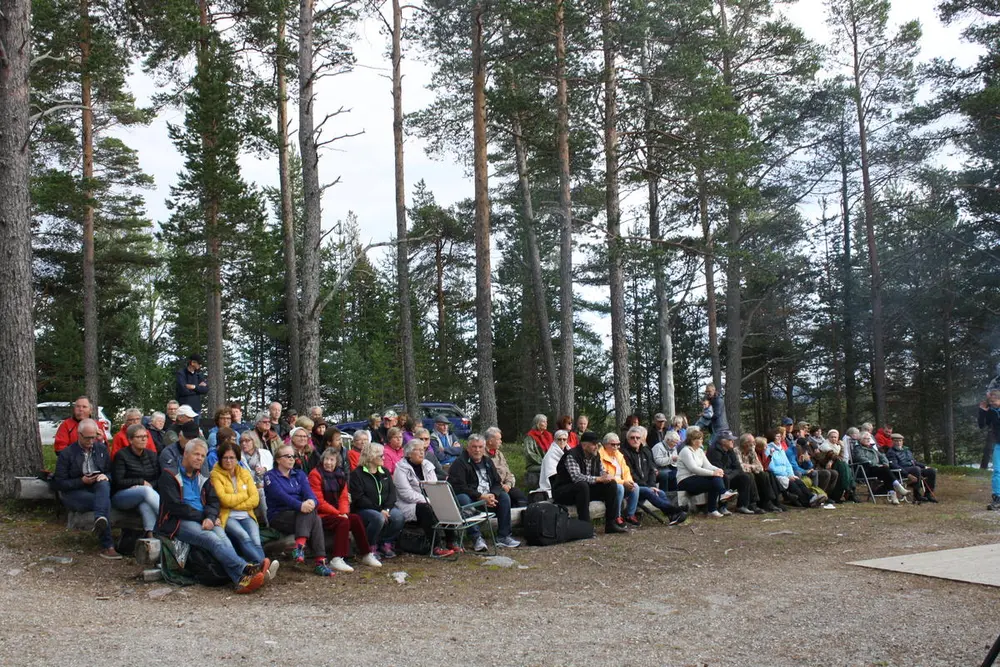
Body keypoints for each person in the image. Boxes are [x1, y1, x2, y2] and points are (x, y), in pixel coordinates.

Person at [157, 439, 269, 593]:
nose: (200, 459)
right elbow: (175, 506)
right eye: (196, 454)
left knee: (223, 539)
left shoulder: (202, 476)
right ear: (186, 453)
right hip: (178, 521)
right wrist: (204, 517)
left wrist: (209, 516)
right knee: (212, 539)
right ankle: (246, 569)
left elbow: (214, 501)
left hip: (204, 518)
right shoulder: (169, 474)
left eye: (203, 456)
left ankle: (240, 580)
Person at [265, 444, 337, 577]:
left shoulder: (299, 474)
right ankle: (320, 562)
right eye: (287, 456)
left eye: (293, 456)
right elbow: (281, 496)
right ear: (278, 459)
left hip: (301, 515)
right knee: (311, 515)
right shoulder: (270, 476)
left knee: (313, 516)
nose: (292, 459)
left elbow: (310, 493)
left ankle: (300, 548)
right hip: (279, 515)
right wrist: (300, 505)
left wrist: (312, 502)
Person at [308, 448, 382, 570]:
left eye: (332, 460)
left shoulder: (340, 475)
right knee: (343, 521)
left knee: (355, 519)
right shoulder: (315, 474)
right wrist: (338, 514)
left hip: (337, 512)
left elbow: (343, 497)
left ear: (337, 462)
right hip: (320, 515)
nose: (328, 463)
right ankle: (337, 558)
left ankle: (366, 553)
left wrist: (343, 512)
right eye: (326, 459)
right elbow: (319, 501)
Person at [55, 418, 119, 559]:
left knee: (103, 484)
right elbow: (59, 483)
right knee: (103, 502)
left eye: (94, 437)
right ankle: (108, 545)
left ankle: (100, 520)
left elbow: (111, 472)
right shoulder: (67, 454)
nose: (91, 441)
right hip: (74, 492)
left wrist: (105, 476)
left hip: (97, 488)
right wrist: (81, 481)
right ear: (79, 435)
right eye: (88, 438)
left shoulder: (101, 448)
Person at [447, 435, 521, 550]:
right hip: (471, 500)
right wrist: (480, 496)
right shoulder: (460, 463)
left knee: (504, 497)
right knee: (462, 498)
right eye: (474, 447)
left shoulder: (487, 461)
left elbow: (497, 482)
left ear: (484, 447)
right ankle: (476, 538)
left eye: (480, 447)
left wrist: (493, 495)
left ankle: (503, 536)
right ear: (468, 448)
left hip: (489, 499)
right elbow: (458, 487)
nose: (477, 450)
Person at [211, 441, 272, 572]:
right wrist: (244, 495)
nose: (228, 461)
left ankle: (260, 569)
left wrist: (236, 503)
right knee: (243, 536)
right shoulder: (215, 474)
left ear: (238, 458)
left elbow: (255, 499)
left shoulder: (244, 473)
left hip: (247, 515)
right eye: (225, 457)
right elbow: (224, 500)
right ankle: (264, 567)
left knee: (256, 541)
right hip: (228, 516)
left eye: (232, 457)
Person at [392, 438, 457, 557]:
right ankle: (436, 546)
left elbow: (434, 486)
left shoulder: (428, 465)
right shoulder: (400, 469)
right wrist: (429, 500)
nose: (422, 453)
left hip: (429, 500)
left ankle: (451, 541)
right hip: (408, 504)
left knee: (445, 502)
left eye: (423, 450)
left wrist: (435, 499)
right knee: (425, 508)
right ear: (409, 453)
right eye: (417, 450)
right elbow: (406, 494)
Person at [551, 431, 625, 534]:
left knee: (611, 484)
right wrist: (599, 479)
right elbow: (577, 477)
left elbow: (601, 471)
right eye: (594, 444)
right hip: (564, 492)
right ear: (584, 445)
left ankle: (611, 524)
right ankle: (585, 527)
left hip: (584, 491)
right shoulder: (572, 455)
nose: (597, 447)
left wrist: (606, 476)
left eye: (598, 444)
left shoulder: (596, 455)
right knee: (582, 485)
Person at [621, 426, 687, 525]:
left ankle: (673, 517)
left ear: (641, 439)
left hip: (646, 485)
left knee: (661, 493)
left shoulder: (646, 451)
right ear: (627, 439)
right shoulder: (624, 453)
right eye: (632, 437)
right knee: (649, 491)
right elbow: (630, 474)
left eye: (637, 438)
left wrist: (652, 485)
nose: (635, 440)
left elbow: (652, 470)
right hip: (632, 486)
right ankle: (674, 510)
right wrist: (648, 487)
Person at [349, 443, 406, 559]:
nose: (383, 458)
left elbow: (392, 494)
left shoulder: (384, 472)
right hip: (364, 509)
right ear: (371, 456)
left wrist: (386, 509)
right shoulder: (357, 474)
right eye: (381, 456)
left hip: (384, 508)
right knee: (377, 517)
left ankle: (385, 542)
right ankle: (370, 545)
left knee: (398, 516)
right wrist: (379, 510)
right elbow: (359, 498)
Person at [112, 423, 161, 538]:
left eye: (145, 436)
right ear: (130, 440)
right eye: (139, 437)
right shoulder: (121, 455)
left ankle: (151, 538)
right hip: (122, 496)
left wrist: (149, 485)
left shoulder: (152, 455)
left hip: (146, 495)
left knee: (145, 504)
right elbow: (118, 481)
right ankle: (168, 518)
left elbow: (158, 479)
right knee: (145, 491)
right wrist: (140, 483)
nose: (144, 439)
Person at [676, 427, 733, 517]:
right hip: (685, 480)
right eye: (700, 439)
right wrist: (712, 473)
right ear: (693, 441)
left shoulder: (700, 451)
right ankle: (721, 496)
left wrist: (717, 470)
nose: (702, 440)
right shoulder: (685, 451)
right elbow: (693, 469)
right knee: (714, 479)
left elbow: (708, 465)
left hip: (696, 478)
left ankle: (713, 508)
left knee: (717, 477)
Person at [707, 430, 761, 514]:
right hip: (716, 476)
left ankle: (742, 505)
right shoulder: (714, 451)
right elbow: (718, 468)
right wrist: (731, 473)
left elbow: (738, 467)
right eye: (730, 440)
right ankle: (722, 506)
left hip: (729, 475)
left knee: (745, 477)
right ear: (723, 441)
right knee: (724, 477)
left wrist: (731, 474)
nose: (733, 441)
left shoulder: (730, 450)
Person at [852, 431, 910, 505]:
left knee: (886, 472)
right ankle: (898, 487)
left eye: (869, 439)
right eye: (866, 438)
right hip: (865, 470)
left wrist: (885, 463)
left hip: (876, 469)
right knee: (885, 471)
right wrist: (875, 464)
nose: (868, 440)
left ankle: (893, 495)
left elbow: (882, 456)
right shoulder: (858, 449)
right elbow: (861, 458)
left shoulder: (872, 448)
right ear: (860, 439)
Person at [764, 428, 817, 508]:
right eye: (777, 436)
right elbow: (771, 467)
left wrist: (791, 474)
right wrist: (786, 475)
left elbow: (787, 464)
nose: (779, 438)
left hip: (786, 474)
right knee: (793, 485)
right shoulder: (768, 450)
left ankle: (811, 497)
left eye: (780, 436)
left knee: (799, 482)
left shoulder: (781, 449)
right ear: (772, 438)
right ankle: (806, 502)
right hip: (777, 475)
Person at [598, 433, 640, 528]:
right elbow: (607, 476)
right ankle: (617, 517)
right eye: (613, 444)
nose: (616, 447)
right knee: (619, 487)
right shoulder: (600, 455)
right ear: (605, 444)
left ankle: (630, 515)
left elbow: (626, 470)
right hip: (608, 486)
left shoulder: (619, 455)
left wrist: (629, 481)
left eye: (618, 444)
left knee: (635, 486)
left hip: (622, 482)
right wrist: (623, 482)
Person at [736, 434, 783, 512]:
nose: (754, 444)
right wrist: (752, 467)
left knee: (764, 474)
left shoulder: (751, 451)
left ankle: (767, 502)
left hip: (749, 473)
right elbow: (740, 467)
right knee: (750, 475)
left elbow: (760, 467)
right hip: (739, 475)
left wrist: (749, 466)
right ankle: (753, 504)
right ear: (745, 443)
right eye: (753, 442)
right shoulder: (737, 451)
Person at [485, 426, 529, 508]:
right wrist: (501, 486)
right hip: (494, 489)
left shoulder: (499, 454)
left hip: (506, 487)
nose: (501, 442)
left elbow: (508, 473)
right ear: (490, 441)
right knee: (514, 497)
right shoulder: (483, 455)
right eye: (499, 439)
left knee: (520, 497)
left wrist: (508, 485)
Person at [885, 433, 937, 502]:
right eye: (896, 441)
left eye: (900, 441)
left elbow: (914, 462)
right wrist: (907, 474)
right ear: (893, 442)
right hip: (902, 471)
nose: (898, 443)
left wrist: (925, 466)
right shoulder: (891, 452)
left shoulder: (906, 450)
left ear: (902, 441)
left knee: (931, 471)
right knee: (916, 469)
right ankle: (917, 495)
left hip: (914, 469)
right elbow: (894, 465)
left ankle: (928, 494)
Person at [239, 430, 272, 522]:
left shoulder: (265, 453)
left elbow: (273, 470)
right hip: (248, 487)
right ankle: (268, 522)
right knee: (261, 491)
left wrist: (265, 469)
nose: (244, 444)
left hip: (267, 482)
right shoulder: (238, 457)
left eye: (247, 441)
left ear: (254, 441)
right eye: (241, 441)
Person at [979, 389, 1000, 510]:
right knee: (997, 471)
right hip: (999, 444)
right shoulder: (991, 411)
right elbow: (982, 425)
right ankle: (998, 497)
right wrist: (983, 411)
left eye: (994, 401)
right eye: (991, 402)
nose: (992, 404)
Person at [175, 354, 208, 423]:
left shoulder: (199, 374)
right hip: (185, 408)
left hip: (196, 409)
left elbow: (205, 390)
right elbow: (183, 390)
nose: (200, 366)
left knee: (195, 429)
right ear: (193, 363)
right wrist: (198, 388)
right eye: (199, 363)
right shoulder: (181, 373)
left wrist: (194, 387)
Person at [536, 429, 571, 495]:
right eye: (559, 439)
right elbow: (551, 474)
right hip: (554, 484)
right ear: (555, 440)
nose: (562, 441)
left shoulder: (569, 451)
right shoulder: (550, 455)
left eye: (564, 439)